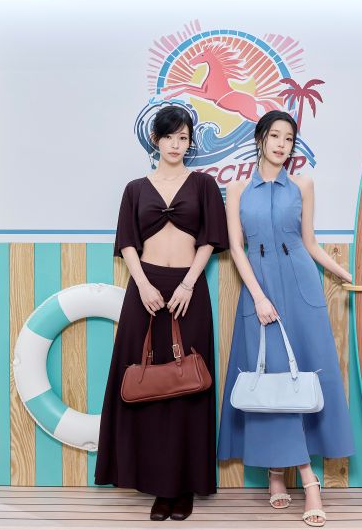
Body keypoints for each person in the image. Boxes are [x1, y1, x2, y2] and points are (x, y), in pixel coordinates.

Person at [217, 110, 355, 527]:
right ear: (260, 138)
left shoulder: (303, 185)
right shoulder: (236, 189)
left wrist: (344, 274)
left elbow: (309, 242)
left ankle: (278, 475)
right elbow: (237, 248)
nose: (281, 144)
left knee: (302, 377)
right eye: (275, 135)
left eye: (289, 138)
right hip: (259, 291)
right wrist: (258, 296)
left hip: (301, 287)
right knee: (271, 378)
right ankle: (308, 482)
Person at [95, 104, 228, 522]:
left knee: (189, 382)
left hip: (189, 290)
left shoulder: (203, 184)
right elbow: (127, 242)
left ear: (191, 142)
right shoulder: (135, 188)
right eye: (169, 136)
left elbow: (210, 239)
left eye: (183, 137)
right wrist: (143, 285)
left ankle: (183, 487)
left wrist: (188, 283)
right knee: (146, 380)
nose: (176, 144)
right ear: (156, 140)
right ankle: (156, 485)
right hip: (145, 289)